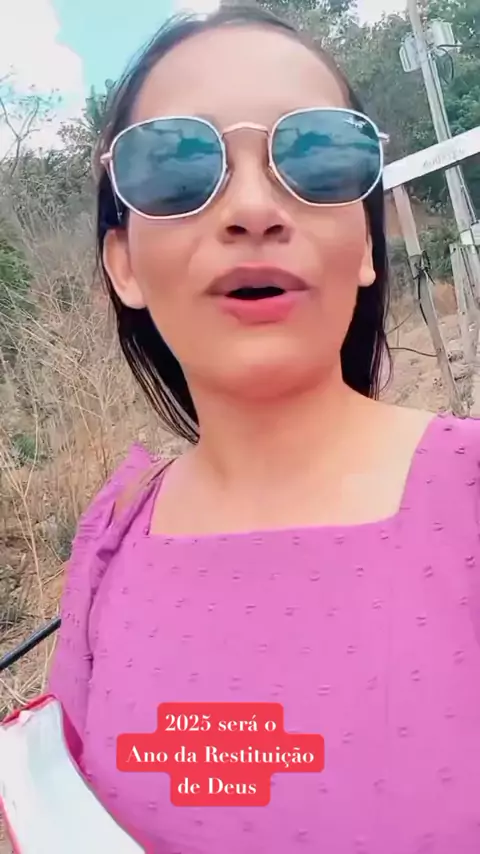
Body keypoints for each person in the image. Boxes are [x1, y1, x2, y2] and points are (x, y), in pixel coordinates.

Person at [48, 6, 480, 853]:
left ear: (366, 244)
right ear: (123, 265)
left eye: (317, 156)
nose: (252, 209)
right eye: (178, 167)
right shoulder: (111, 541)